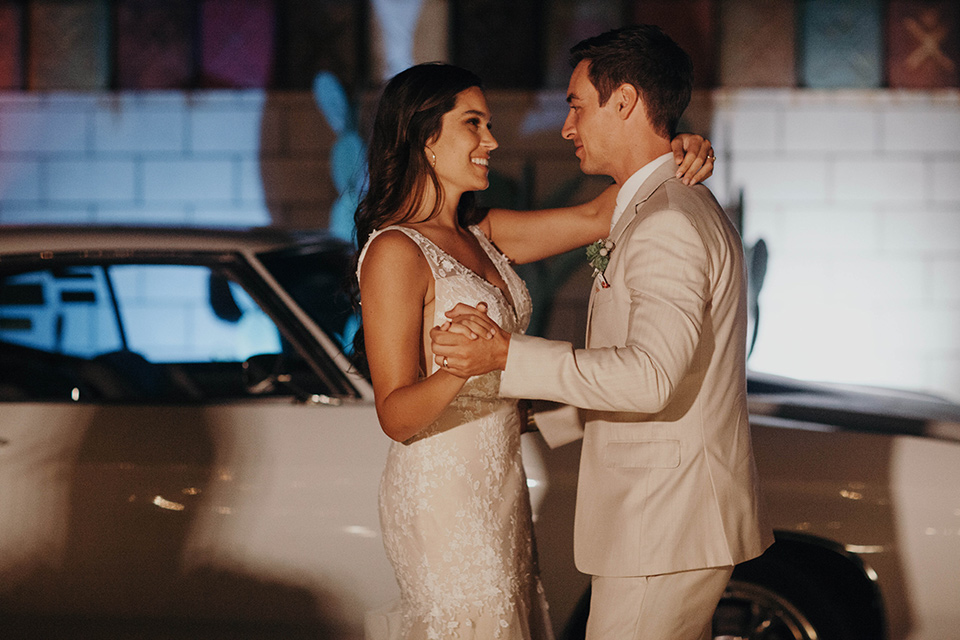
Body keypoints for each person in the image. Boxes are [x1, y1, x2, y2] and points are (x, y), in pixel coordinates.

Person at [430, 26, 774, 640]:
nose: (564, 127)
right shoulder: (656, 208)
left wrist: (507, 355)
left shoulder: (666, 217)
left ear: (625, 102)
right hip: (660, 517)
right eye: (473, 125)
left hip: (663, 519)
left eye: (575, 105)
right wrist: (538, 418)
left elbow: (651, 377)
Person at [353, 62, 715, 640]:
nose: (492, 141)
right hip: (441, 493)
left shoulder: (485, 236)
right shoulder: (396, 251)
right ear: (426, 137)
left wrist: (675, 150)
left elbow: (602, 215)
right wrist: (459, 370)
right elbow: (394, 415)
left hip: (501, 484)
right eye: (474, 123)